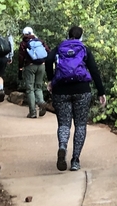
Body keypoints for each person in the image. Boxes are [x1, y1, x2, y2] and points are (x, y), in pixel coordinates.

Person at [45, 26, 107, 172]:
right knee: (80, 125)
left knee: (64, 124)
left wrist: (51, 79)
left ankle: (62, 147)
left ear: (68, 35)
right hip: (82, 90)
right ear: (81, 37)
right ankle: (75, 160)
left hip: (61, 90)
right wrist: (101, 91)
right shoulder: (84, 49)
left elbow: (48, 60)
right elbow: (94, 71)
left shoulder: (60, 47)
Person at [18, 27, 49, 119]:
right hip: (41, 66)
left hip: (30, 66)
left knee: (30, 89)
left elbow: (21, 57)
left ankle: (33, 112)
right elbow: (48, 51)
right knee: (38, 87)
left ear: (24, 34)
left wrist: (20, 67)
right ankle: (41, 102)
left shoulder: (24, 43)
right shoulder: (40, 41)